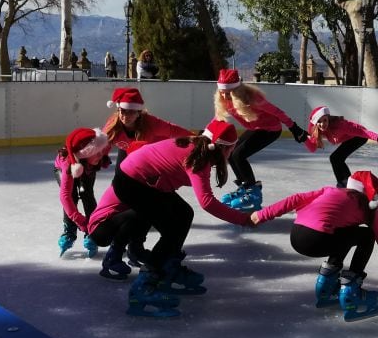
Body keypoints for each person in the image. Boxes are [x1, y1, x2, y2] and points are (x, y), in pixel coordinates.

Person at [98, 120, 255, 318]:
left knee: (184, 214)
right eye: (232, 148)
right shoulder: (200, 159)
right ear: (226, 148)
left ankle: (167, 269)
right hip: (132, 182)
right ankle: (144, 287)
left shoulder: (199, 147)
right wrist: (243, 219)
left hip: (138, 177)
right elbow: (207, 202)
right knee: (172, 227)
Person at [251, 170, 378, 322]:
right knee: (367, 235)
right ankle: (351, 292)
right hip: (319, 239)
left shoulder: (328, 191)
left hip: (297, 236)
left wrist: (261, 215)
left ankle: (326, 288)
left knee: (344, 230)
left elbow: (295, 199)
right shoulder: (366, 207)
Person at [214, 68, 307, 212]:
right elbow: (218, 120)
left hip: (271, 130)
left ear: (237, 92)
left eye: (228, 93)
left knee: (239, 155)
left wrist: (295, 128)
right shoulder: (223, 100)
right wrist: (208, 136)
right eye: (222, 92)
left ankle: (254, 192)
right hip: (257, 128)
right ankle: (244, 188)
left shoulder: (253, 99)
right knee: (231, 154)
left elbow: (278, 113)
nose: (224, 96)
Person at [54, 127, 109, 263]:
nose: (100, 156)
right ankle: (69, 232)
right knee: (71, 196)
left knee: (87, 194)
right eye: (96, 153)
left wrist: (89, 225)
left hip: (86, 167)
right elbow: (64, 196)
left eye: (101, 152)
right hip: (66, 168)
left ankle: (92, 228)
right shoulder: (68, 164)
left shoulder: (96, 156)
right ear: (85, 153)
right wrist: (79, 221)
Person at [102, 87, 194, 167]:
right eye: (123, 111)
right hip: (127, 150)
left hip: (152, 151)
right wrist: (103, 157)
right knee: (119, 177)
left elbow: (173, 130)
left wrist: (196, 139)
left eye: (131, 112)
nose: (125, 116)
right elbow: (103, 142)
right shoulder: (113, 124)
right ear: (118, 111)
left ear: (138, 113)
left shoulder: (150, 123)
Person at [303, 105, 378, 186]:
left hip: (359, 137)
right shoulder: (317, 129)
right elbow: (312, 148)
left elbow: (363, 132)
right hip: (349, 138)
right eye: (319, 121)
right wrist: (303, 138)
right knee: (335, 158)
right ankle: (346, 184)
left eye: (325, 120)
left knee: (336, 158)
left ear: (328, 118)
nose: (322, 124)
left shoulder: (340, 126)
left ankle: (345, 184)